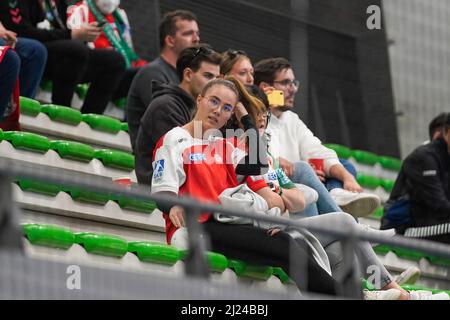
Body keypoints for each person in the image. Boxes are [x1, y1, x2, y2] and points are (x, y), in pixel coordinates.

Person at [151, 78, 341, 296]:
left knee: (289, 241)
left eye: (226, 108)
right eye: (213, 101)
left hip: (227, 223)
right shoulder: (175, 138)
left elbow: (259, 164)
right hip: (196, 227)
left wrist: (246, 119)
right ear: (200, 99)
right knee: (285, 245)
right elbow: (162, 189)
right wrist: (172, 205)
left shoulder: (224, 145)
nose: (217, 111)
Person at [253, 57, 380, 218]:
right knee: (304, 169)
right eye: (285, 83)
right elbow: (258, 157)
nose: (293, 89)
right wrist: (291, 164)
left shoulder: (291, 118)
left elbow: (317, 151)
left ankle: (335, 193)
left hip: (299, 184)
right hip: (277, 187)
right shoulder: (255, 117)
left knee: (344, 166)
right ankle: (348, 223)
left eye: (294, 83)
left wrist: (347, 178)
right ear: (265, 88)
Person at [1, 0, 126, 114]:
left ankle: (90, 120)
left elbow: (63, 30)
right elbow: (21, 33)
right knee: (74, 50)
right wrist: (72, 35)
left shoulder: (57, 3)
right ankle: (62, 112)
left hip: (60, 54)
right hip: (32, 50)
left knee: (114, 61)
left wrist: (81, 35)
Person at [134, 44, 222, 185]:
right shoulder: (166, 107)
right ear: (188, 74)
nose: (214, 85)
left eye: (217, 78)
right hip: (162, 195)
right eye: (208, 76)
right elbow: (187, 161)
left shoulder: (197, 108)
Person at [126, 9, 200, 150]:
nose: (196, 38)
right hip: (155, 161)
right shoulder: (152, 73)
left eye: (197, 33)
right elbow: (167, 120)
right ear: (170, 40)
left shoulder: (182, 75)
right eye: (188, 33)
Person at [384, 113, 450, 244]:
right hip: (403, 230)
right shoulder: (425, 158)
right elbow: (439, 206)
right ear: (447, 131)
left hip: (433, 224)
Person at [66, 0, 146, 102]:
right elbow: (73, 47)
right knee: (114, 61)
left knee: (147, 74)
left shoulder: (120, 17)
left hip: (119, 70)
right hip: (93, 69)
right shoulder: (79, 10)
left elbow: (129, 51)